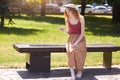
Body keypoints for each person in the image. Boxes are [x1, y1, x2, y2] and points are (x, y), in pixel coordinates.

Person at [59, 4, 87, 80]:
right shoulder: (67, 19)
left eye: (68, 11)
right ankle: (72, 73)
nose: (67, 13)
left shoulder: (81, 18)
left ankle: (79, 71)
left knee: (78, 50)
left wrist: (76, 43)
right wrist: (64, 30)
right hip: (71, 39)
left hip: (80, 39)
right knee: (71, 51)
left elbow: (82, 33)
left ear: (73, 11)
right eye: (66, 12)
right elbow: (69, 32)